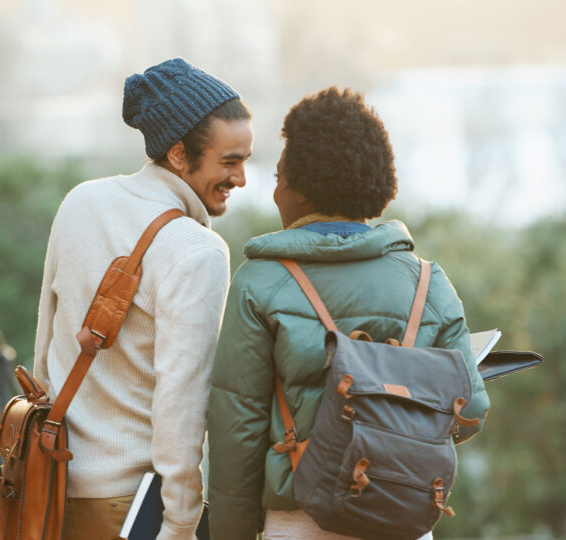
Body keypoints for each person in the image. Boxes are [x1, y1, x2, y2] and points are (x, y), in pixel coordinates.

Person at [206, 87, 489, 539]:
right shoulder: (426, 282)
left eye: (279, 178)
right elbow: (470, 407)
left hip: (299, 522)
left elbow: (236, 432)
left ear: (300, 189)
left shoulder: (259, 284)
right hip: (402, 520)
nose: (275, 192)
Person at [32, 58, 253, 540]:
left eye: (244, 161)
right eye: (229, 162)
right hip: (132, 509)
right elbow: (183, 404)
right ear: (178, 154)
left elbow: (46, 351)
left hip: (51, 491)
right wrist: (179, 524)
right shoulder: (197, 250)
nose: (241, 179)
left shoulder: (80, 202)